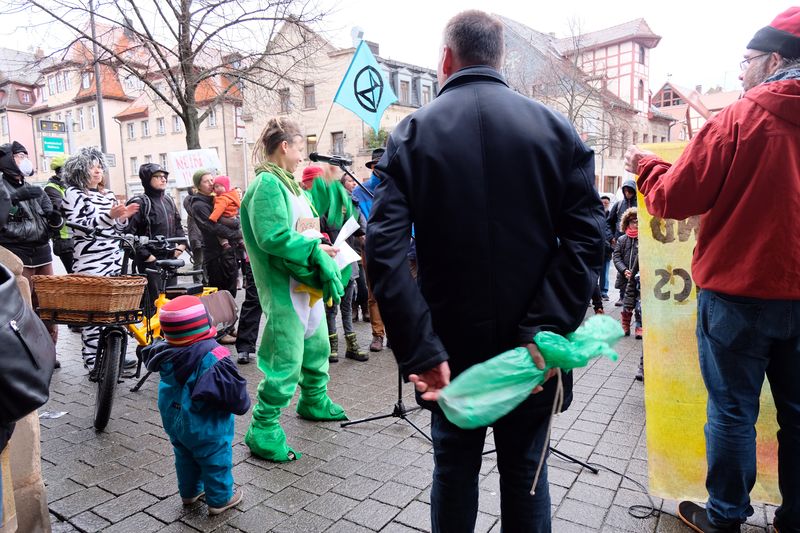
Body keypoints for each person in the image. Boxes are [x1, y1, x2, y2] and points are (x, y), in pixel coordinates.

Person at [366, 11, 604, 532]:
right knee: (527, 476)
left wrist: (422, 349)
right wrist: (543, 333)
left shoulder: (411, 134)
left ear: (445, 60)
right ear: (499, 59)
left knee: (453, 472)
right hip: (531, 354)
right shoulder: (555, 129)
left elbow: (382, 251)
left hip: (449, 350)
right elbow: (589, 239)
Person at [624, 8, 800, 532]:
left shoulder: (740, 119)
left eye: (746, 61)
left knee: (731, 411)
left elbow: (676, 197)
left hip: (737, 294)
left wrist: (647, 166)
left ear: (773, 60)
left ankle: (725, 517)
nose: (741, 71)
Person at [240, 117, 348, 463]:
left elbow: (303, 230)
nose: (303, 155)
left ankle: (313, 399)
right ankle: (264, 425)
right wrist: (314, 250)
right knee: (284, 355)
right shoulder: (268, 185)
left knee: (315, 343)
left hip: (304, 281)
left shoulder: (292, 185)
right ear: (285, 146)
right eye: (300, 147)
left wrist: (322, 247)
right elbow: (272, 237)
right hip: (283, 285)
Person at [142, 295, 249, 516]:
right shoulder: (213, 355)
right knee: (215, 457)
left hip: (173, 416)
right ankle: (220, 499)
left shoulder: (162, 350)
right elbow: (237, 397)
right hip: (205, 422)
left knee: (184, 454)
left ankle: (189, 493)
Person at [62, 147, 139, 368]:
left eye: (99, 167)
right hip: (91, 260)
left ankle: (115, 356)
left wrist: (122, 218)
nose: (97, 172)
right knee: (94, 314)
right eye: (91, 168)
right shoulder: (73, 194)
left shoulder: (108, 194)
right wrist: (109, 216)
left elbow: (116, 227)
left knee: (115, 311)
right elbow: (81, 227)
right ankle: (93, 360)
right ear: (79, 171)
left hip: (114, 257)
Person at [0, 141, 62, 346]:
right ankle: (30, 350)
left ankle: (49, 350)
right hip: (17, 252)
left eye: (26, 155)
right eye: (20, 156)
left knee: (47, 302)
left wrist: (54, 219)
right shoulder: (1, 189)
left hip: (42, 251)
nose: (25, 160)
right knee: (25, 304)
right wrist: (13, 200)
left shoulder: (36, 189)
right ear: (8, 160)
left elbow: (54, 219)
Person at [126, 163, 186, 308]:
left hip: (171, 260)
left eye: (164, 176)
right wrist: (147, 257)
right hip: (150, 263)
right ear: (147, 179)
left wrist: (182, 245)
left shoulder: (169, 201)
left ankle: (169, 331)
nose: (163, 179)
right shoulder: (140, 203)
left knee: (171, 303)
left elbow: (178, 226)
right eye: (157, 176)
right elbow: (128, 236)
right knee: (153, 304)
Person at [187, 170, 241, 297]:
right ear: (198, 186)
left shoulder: (215, 198)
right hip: (216, 255)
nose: (211, 183)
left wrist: (235, 221)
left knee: (230, 290)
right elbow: (212, 227)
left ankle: (231, 316)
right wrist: (237, 234)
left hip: (227, 252)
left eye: (212, 180)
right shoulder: (198, 205)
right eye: (206, 181)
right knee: (221, 293)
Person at [354, 148, 388, 352]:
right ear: (373, 167)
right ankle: (377, 334)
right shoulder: (361, 191)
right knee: (374, 292)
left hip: (397, 247)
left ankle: (396, 334)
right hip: (372, 247)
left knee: (397, 292)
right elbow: (358, 219)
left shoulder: (397, 187)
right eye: (377, 165)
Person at [606, 180, 637, 306]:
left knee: (635, 264)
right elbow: (608, 222)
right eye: (625, 190)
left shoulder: (640, 205)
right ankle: (622, 296)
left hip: (637, 238)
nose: (627, 193)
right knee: (622, 265)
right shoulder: (618, 205)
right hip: (621, 239)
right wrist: (611, 237)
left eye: (630, 191)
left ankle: (635, 295)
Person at [612, 208, 640, 338]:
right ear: (627, 223)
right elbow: (616, 257)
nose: (636, 224)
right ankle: (625, 325)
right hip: (624, 278)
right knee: (626, 303)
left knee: (640, 303)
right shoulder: (622, 239)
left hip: (639, 278)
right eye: (633, 221)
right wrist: (624, 270)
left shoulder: (643, 240)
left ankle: (639, 325)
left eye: (638, 221)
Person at [44, 155, 75, 274]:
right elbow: (65, 208)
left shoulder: (69, 186)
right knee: (75, 276)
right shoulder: (51, 188)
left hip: (74, 237)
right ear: (62, 171)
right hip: (64, 239)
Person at [208, 175, 242, 250]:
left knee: (218, 230)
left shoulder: (222, 198)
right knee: (236, 229)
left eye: (218, 186)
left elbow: (218, 209)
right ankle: (241, 241)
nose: (216, 189)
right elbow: (239, 205)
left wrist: (213, 218)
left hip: (225, 218)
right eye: (215, 187)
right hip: (234, 218)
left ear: (225, 186)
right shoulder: (233, 194)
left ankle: (225, 243)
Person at [183, 187, 206, 284]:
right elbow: (193, 212)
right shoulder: (188, 199)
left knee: (205, 261)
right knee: (199, 261)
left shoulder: (200, 198)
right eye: (193, 188)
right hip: (196, 235)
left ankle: (205, 281)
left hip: (204, 235)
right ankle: (197, 282)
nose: (195, 189)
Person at [599, 194, 612, 300]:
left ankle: (604, 291)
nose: (604, 205)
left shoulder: (611, 216)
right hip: (596, 247)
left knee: (605, 271)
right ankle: (592, 293)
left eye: (606, 203)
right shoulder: (595, 214)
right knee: (594, 271)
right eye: (602, 203)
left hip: (607, 248)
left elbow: (612, 229)